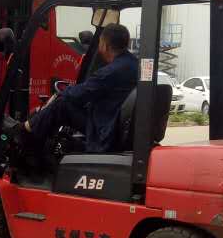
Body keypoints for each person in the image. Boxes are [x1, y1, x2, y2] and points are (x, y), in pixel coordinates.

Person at [24, 21, 138, 156]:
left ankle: (24, 133)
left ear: (105, 45)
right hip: (114, 121)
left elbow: (81, 93)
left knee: (61, 104)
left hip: (105, 128)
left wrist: (61, 93)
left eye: (100, 42)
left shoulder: (110, 72)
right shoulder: (133, 64)